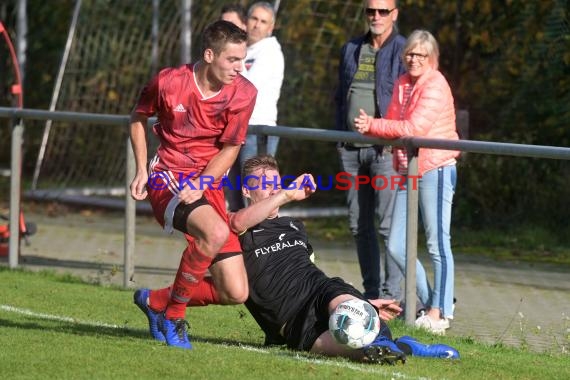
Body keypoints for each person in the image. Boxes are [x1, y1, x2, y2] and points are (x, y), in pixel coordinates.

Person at [135, 155, 460, 362]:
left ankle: (394, 339)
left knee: (346, 304)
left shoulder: (294, 224)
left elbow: (309, 270)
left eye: (276, 183)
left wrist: (364, 304)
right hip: (291, 321)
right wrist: (161, 298)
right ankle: (401, 345)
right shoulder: (232, 226)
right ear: (248, 192)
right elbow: (229, 245)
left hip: (321, 291)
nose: (273, 189)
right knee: (361, 350)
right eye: (265, 185)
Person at [129, 20, 257, 349]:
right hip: (167, 175)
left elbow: (231, 148)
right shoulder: (169, 81)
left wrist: (202, 182)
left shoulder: (244, 93)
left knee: (235, 291)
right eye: (233, 60)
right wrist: (142, 168)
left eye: (243, 60)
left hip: (207, 183)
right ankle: (174, 317)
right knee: (214, 233)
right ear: (209, 54)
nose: (239, 68)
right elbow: (138, 116)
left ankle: (155, 301)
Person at [354, 30, 460, 334]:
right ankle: (431, 303)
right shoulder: (402, 84)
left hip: (435, 168)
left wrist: (373, 125)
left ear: (433, 59)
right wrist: (379, 128)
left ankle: (440, 313)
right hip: (407, 170)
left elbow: (414, 129)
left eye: (421, 55)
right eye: (410, 54)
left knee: (437, 244)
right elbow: (393, 124)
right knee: (397, 245)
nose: (414, 60)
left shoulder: (436, 86)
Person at [335, 0, 406, 303]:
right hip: (351, 151)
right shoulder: (351, 48)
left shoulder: (404, 50)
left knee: (389, 225)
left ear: (394, 14)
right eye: (370, 11)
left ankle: (393, 297)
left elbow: (407, 99)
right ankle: (372, 294)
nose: (375, 17)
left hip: (384, 151)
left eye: (382, 11)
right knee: (358, 225)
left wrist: (392, 135)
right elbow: (340, 94)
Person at [226, 1, 285, 211]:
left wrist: (228, 61)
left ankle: (259, 243)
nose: (257, 25)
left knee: (256, 199)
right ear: (246, 21)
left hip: (257, 131)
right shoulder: (247, 51)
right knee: (234, 198)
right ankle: (239, 244)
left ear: (271, 27)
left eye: (263, 21)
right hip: (235, 129)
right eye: (254, 19)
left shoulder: (270, 51)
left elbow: (247, 88)